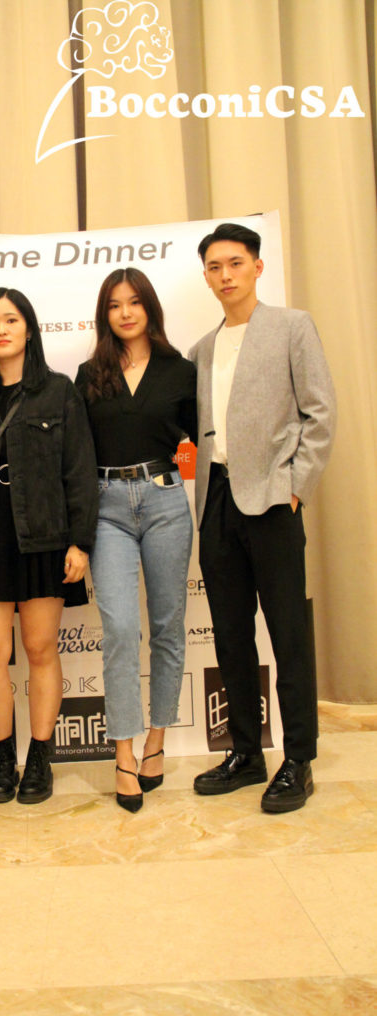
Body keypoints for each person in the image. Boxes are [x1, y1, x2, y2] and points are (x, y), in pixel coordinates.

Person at [190, 222, 336, 813]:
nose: (225, 275)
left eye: (235, 263)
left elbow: (320, 413)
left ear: (257, 266)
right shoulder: (202, 348)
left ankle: (298, 758)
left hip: (273, 500)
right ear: (206, 277)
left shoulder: (292, 326)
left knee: (288, 633)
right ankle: (246, 752)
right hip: (217, 501)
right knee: (230, 635)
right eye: (214, 267)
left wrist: (295, 488)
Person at [0, 287, 98, 804]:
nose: (1, 330)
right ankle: (2, 760)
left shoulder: (59, 391)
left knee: (40, 649)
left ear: (29, 329)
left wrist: (81, 543)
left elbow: (80, 472)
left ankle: (40, 760)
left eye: (10, 320)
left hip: (44, 537)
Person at [76, 268, 197, 813]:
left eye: (134, 302)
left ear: (149, 307)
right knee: (122, 630)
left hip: (165, 500)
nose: (125, 313)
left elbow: (202, 438)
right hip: (106, 508)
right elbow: (78, 455)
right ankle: (122, 753)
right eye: (114, 305)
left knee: (168, 626)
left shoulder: (180, 370)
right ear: (105, 314)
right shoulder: (89, 374)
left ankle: (157, 741)